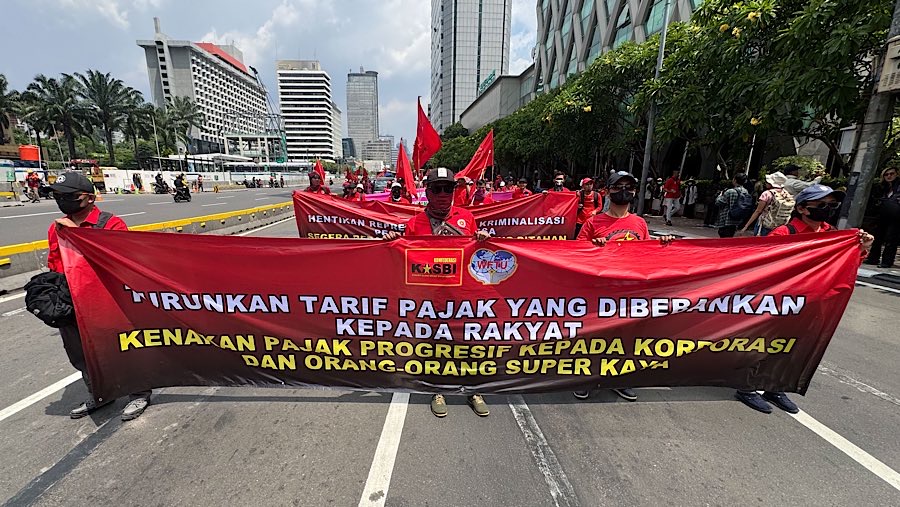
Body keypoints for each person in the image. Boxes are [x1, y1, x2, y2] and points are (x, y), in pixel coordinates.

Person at [735, 185, 874, 414]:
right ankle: (746, 387)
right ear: (802, 209)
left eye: (832, 205)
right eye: (821, 205)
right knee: (765, 343)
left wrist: (861, 249)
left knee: (793, 346)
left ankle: (775, 387)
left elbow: (844, 269)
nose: (828, 209)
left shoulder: (832, 235)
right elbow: (761, 267)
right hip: (781, 301)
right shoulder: (784, 234)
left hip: (811, 304)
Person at [384, 167, 491, 418]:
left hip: (462, 296)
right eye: (437, 189)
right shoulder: (414, 224)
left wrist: (483, 240)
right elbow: (404, 260)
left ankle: (472, 390)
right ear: (428, 192)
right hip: (430, 299)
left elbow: (476, 257)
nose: (443, 194)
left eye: (448, 189)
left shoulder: (467, 218)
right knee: (436, 347)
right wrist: (392, 243)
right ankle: (437, 390)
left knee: (468, 345)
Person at [46, 171, 152, 421]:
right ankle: (100, 393)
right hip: (71, 300)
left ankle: (139, 393)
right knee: (81, 353)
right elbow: (55, 262)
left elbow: (119, 260)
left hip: (106, 300)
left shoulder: (111, 224)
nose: (63, 201)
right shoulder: (56, 227)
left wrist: (77, 233)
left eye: (69, 196)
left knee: (122, 348)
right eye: (58, 196)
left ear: (89, 198)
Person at [575, 171, 674, 402]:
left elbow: (647, 255)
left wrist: (663, 245)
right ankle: (586, 378)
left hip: (630, 292)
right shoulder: (592, 223)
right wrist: (593, 247)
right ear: (608, 191)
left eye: (628, 187)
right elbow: (576, 255)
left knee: (625, 338)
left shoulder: (639, 223)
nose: (624, 191)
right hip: (600, 292)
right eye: (618, 186)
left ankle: (620, 380)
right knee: (594, 337)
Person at [739, 171, 794, 237]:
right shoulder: (786, 193)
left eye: (767, 182)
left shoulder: (767, 194)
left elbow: (758, 211)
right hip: (780, 226)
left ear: (771, 183)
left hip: (765, 225)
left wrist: (746, 226)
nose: (766, 183)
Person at [865, 167, 900, 268]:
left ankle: (887, 261)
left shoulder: (897, 186)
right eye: (886, 174)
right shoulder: (883, 187)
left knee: (891, 238)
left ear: (896, 174)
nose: (889, 176)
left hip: (896, 216)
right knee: (878, 237)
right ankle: (873, 258)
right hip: (882, 215)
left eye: (891, 174)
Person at [715, 173, 752, 238]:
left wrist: (720, 195)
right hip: (738, 219)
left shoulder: (730, 191)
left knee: (724, 238)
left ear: (735, 180)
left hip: (727, 220)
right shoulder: (745, 191)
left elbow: (718, 202)